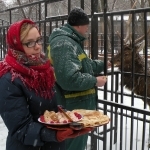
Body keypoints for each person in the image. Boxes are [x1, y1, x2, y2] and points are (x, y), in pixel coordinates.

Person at [0, 19, 92, 150]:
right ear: (17, 46)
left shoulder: (43, 69)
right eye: (29, 43)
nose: (37, 46)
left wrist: (64, 118)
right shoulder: (9, 78)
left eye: (38, 40)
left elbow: (47, 108)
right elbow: (20, 127)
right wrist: (54, 134)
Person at [48, 7, 111, 150]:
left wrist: (105, 64)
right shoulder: (64, 43)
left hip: (78, 107)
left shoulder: (71, 42)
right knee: (72, 146)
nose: (87, 30)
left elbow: (85, 65)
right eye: (86, 27)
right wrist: (95, 81)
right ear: (78, 26)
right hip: (72, 108)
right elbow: (69, 79)